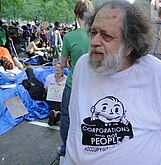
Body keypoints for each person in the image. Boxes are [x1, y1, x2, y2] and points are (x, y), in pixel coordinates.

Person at [63, 0, 161, 165]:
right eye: (94, 32)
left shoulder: (159, 75)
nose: (94, 42)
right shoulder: (83, 66)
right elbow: (76, 117)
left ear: (130, 45)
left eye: (106, 36)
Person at [59, 0, 94, 156]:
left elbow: (63, 64)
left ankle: (67, 148)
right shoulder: (97, 35)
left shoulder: (69, 37)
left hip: (74, 83)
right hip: (95, 84)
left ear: (76, 15)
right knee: (89, 118)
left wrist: (68, 62)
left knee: (67, 116)